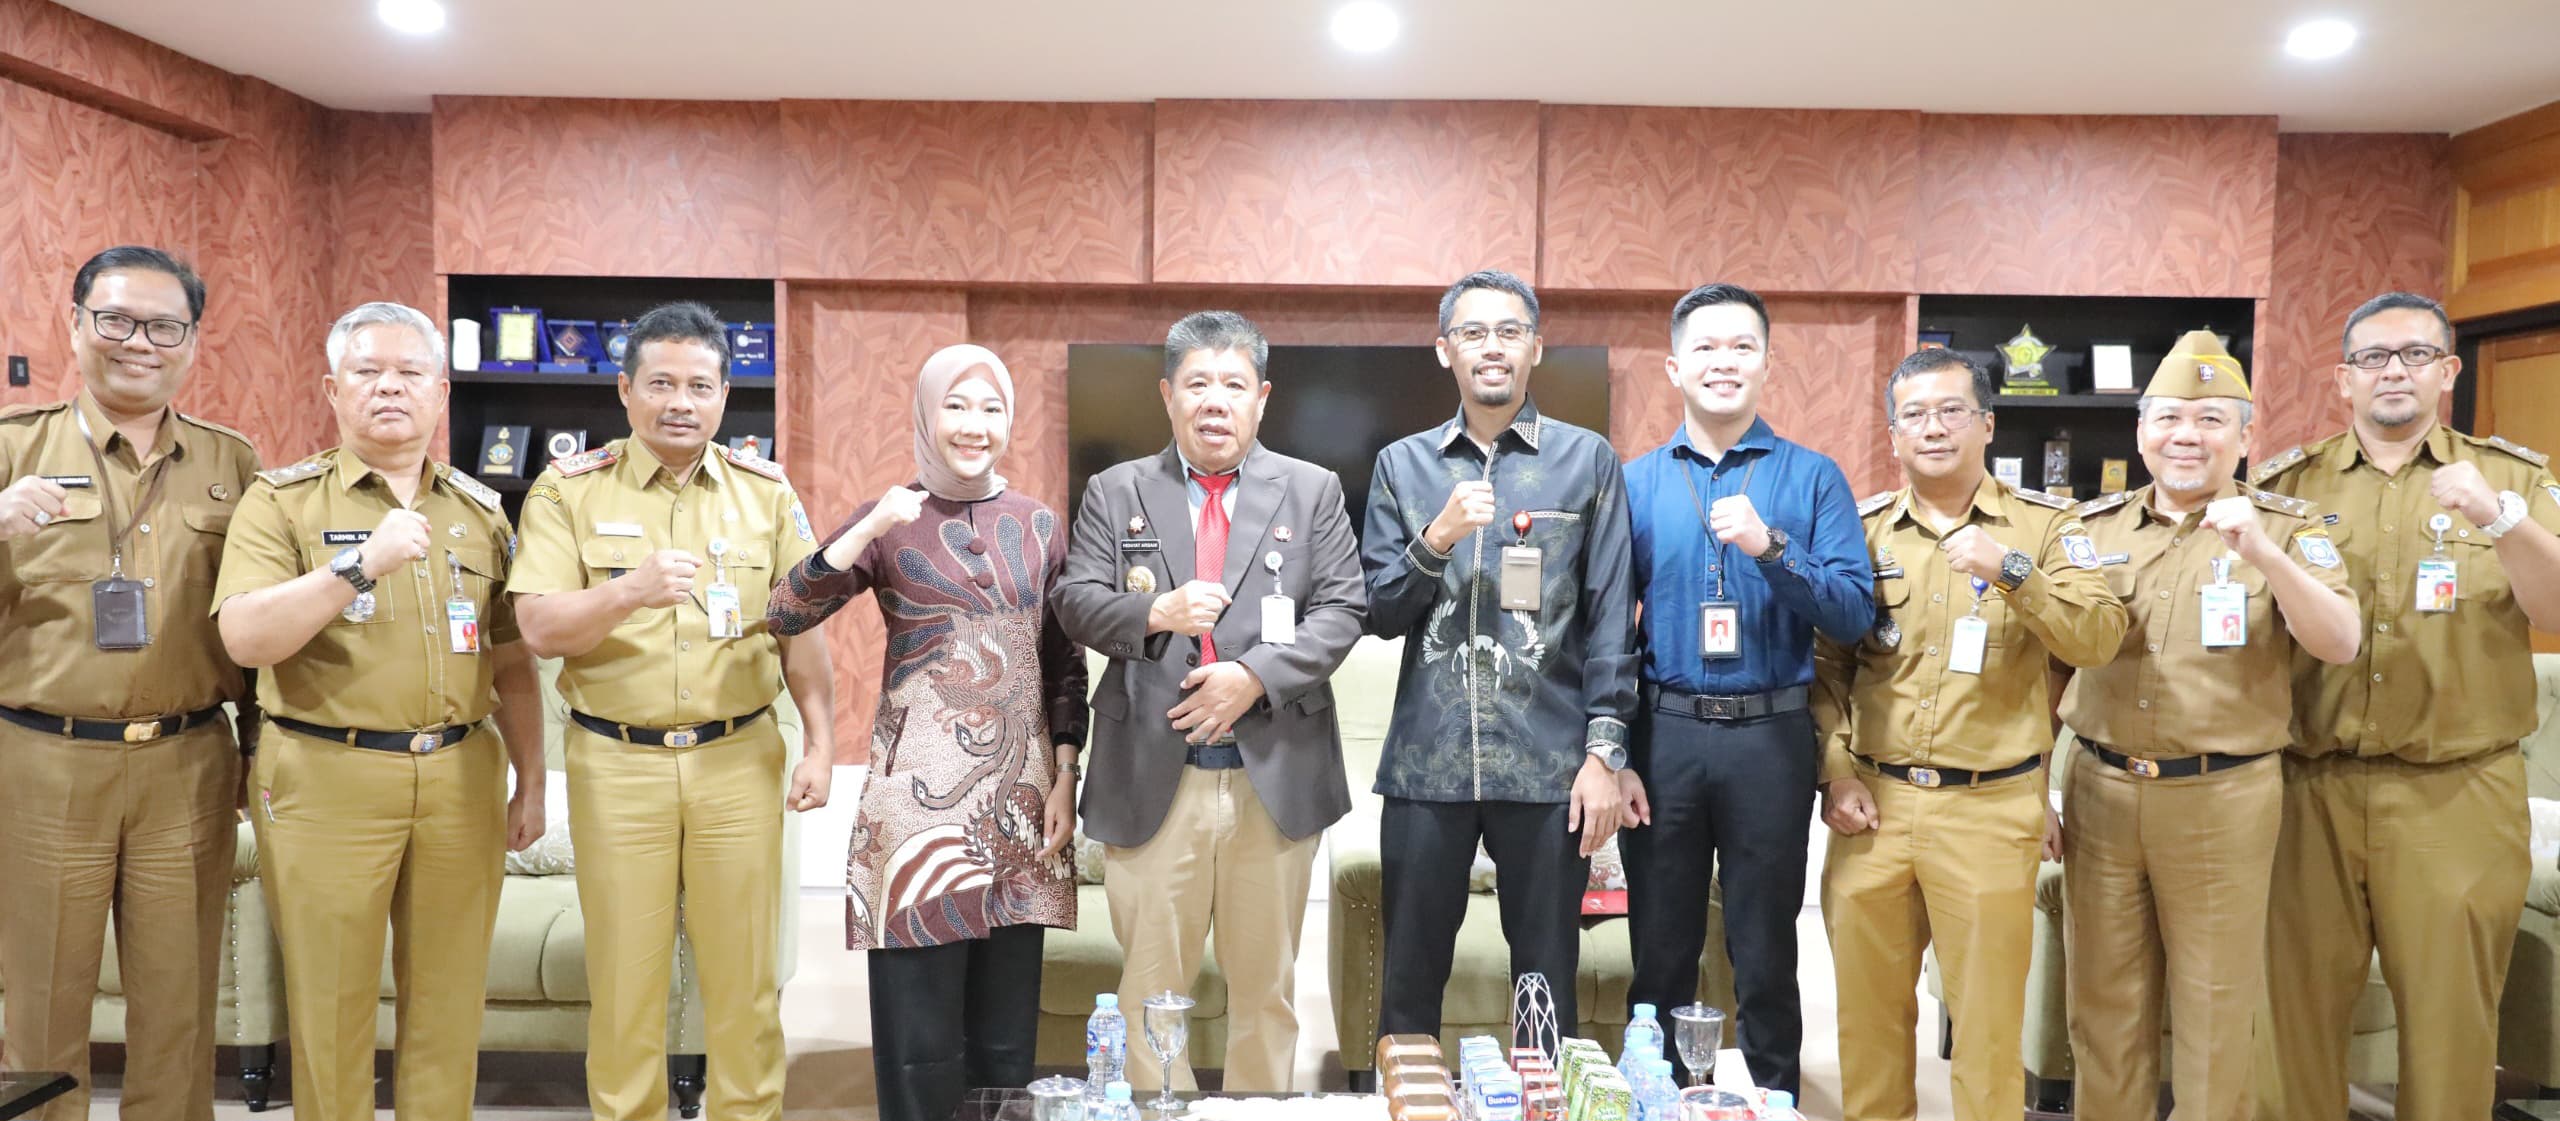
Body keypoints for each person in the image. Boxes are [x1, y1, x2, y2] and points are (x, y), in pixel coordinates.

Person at [211, 301, 545, 1121]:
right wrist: (359, 565)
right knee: (330, 1005)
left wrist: (532, 780)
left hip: (460, 772)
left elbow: (511, 659)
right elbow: (246, 636)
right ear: (333, 389)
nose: (389, 387)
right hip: (328, 773)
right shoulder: (281, 502)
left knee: (450, 999)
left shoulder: (478, 509)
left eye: (409, 373)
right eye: (367, 371)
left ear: (440, 391)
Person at [510, 300, 835, 1121]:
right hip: (617, 762)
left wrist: (822, 743)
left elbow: (801, 631)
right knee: (626, 980)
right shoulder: (567, 489)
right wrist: (628, 590)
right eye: (660, 383)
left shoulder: (766, 493)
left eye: (698, 385)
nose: (680, 401)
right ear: (625, 390)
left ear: (725, 395)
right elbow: (539, 627)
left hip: (739, 758)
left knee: (745, 978)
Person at [2251, 292, 2560, 1121]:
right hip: (2308, 790)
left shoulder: (2513, 480)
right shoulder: (2283, 488)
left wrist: (2499, 518)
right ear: (2343, 379)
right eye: (2374, 357)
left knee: (2451, 1031)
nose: (2395, 371)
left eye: (2416, 354)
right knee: (2291, 1026)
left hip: (2456, 793)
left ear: (2448, 371)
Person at [764, 345, 1088, 1121]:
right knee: (919, 1036)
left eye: (991, 408)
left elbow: (1064, 663)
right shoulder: (891, 519)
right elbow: (785, 610)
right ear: (926, 414)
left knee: (1005, 1040)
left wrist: (1067, 773)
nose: (974, 425)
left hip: (1020, 807)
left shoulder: (1040, 524)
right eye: (956, 406)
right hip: (914, 813)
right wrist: (869, 524)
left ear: (1009, 421)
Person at [1052, 311, 1368, 1092]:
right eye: (1197, 383)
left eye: (1233, 384)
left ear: (1262, 396)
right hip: (1152, 778)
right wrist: (1154, 611)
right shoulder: (1116, 489)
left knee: (1266, 994)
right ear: (1168, 395)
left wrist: (1254, 675)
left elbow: (1342, 609)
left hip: (1274, 775)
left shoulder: (1312, 489)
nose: (1214, 401)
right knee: (1150, 994)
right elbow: (1074, 602)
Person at [1813, 348, 2125, 1121]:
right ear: (1893, 435)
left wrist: (2014, 571)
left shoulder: (2046, 527)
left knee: (1986, 1036)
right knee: (1869, 1028)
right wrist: (1835, 771)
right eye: (1914, 414)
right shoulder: (1863, 530)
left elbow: (2098, 638)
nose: (1934, 427)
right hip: (1873, 807)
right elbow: (1826, 667)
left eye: (1952, 410)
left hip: (1988, 810)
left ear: (1987, 423)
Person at [2055, 332, 2359, 1121]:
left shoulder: (2288, 527)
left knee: (2216, 1014)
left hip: (2220, 799)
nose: (2186, 435)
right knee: (2102, 1008)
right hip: (2100, 791)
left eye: (2210, 419)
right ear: (2141, 432)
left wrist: (2262, 552)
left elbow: (2340, 640)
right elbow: (2047, 661)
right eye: (2169, 418)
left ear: (2246, 436)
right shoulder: (2089, 528)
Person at [0, 246, 260, 1121]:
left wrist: (257, 750)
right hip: (43, 761)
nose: (138, 342)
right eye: (115, 319)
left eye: (163, 326)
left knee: (178, 1009)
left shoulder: (232, 463)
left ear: (192, 340)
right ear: (75, 324)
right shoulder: (12, 446)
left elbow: (251, 627)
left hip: (188, 760)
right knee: (41, 1005)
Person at [1361, 270, 1638, 1044]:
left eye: (1510, 331)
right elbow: (1379, 612)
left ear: (1535, 349)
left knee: (1545, 988)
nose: (1493, 347)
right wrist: (1437, 537)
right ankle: (1408, 1098)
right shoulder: (1402, 465)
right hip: (1427, 764)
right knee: (1409, 983)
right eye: (1474, 332)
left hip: (1550, 767)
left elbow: (1612, 619)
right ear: (1444, 348)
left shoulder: (1587, 461)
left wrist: (1604, 756)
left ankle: (1540, 1098)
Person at [1619, 283, 1873, 1095]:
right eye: (1705, 347)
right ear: (1674, 367)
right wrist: (1613, 750)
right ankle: (1657, 1103)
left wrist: (1773, 549)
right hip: (1665, 734)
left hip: (1771, 738)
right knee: (1659, 950)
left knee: (1764, 953)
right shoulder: (1634, 482)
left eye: (1741, 347)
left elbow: (1853, 610)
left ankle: (1772, 1100)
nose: (1723, 362)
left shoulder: (1813, 477)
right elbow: (1605, 629)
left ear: (1768, 363)